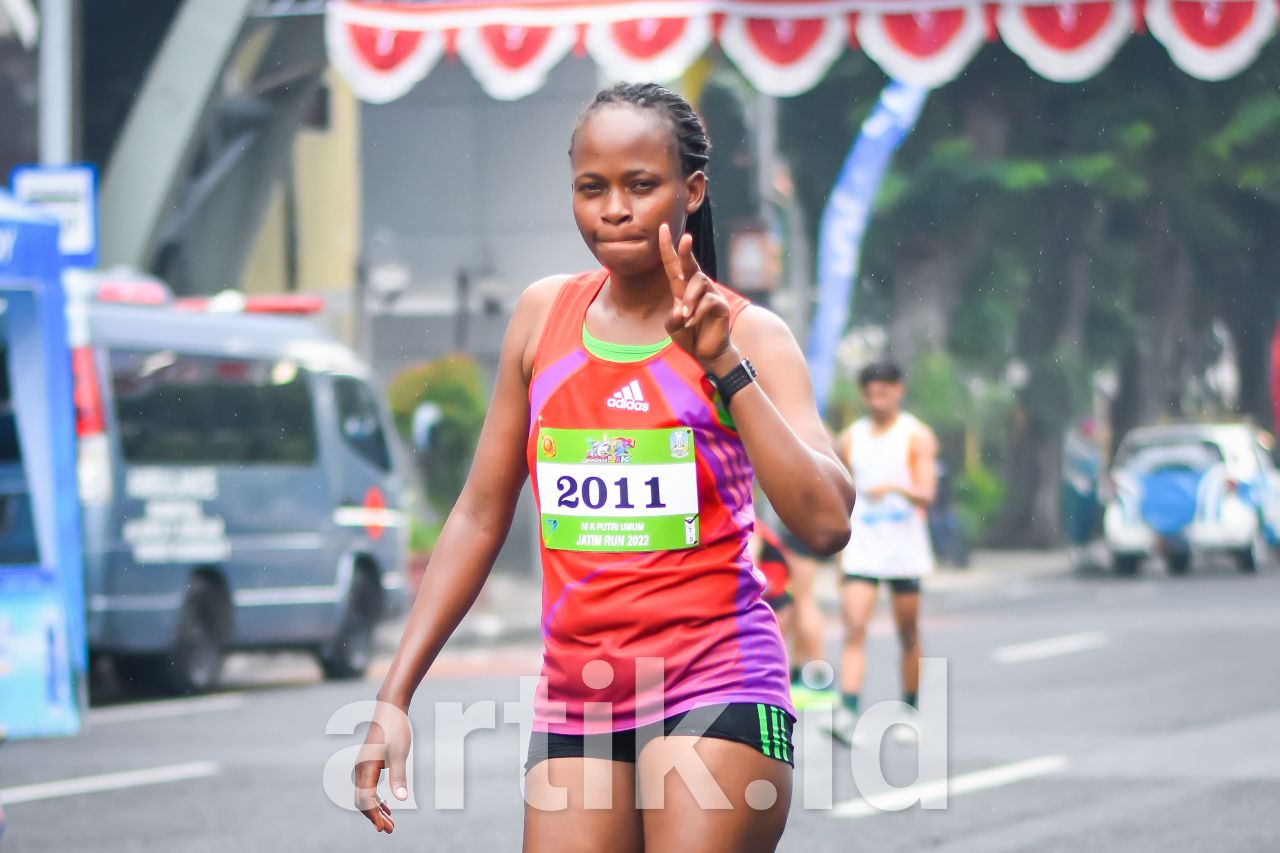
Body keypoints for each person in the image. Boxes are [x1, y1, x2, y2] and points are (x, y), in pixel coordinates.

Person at [353, 82, 855, 851]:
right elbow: (480, 513)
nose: (613, 208)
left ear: (691, 191)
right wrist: (395, 692)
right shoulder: (540, 318)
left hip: (717, 682)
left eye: (640, 185)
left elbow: (826, 520)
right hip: (578, 701)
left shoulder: (752, 334)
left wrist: (723, 364)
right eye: (592, 188)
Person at [829, 361, 937, 746]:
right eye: (871, 393)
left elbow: (926, 491)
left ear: (898, 390)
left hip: (904, 548)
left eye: (885, 391)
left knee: (907, 633)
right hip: (864, 547)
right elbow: (838, 487)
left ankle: (910, 710)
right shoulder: (850, 438)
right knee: (854, 627)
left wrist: (894, 487)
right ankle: (847, 710)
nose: (878, 400)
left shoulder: (916, 436)